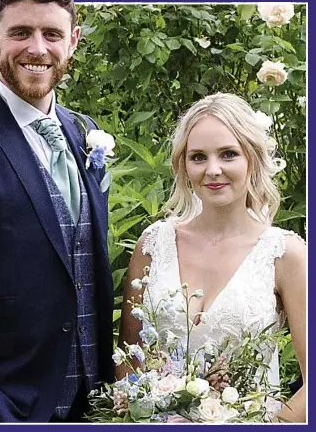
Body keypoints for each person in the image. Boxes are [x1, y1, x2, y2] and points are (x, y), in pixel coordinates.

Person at [0, 0, 114, 423]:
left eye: (51, 34)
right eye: (20, 32)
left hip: (94, 401)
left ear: (73, 41)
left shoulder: (86, 132)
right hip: (6, 405)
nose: (37, 49)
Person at [118, 93, 306, 422]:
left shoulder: (284, 254)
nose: (213, 170)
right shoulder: (154, 244)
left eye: (228, 154)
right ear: (184, 164)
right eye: (199, 157)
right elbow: (128, 358)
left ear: (252, 158)